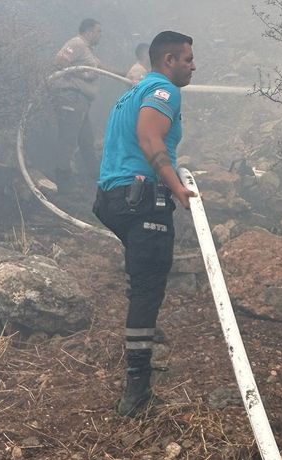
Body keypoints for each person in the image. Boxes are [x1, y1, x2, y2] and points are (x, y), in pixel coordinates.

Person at [93, 31, 198, 416]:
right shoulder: (164, 91)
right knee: (147, 288)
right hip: (142, 199)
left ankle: (145, 330)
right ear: (168, 60)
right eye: (187, 59)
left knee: (143, 278)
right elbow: (149, 138)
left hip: (112, 199)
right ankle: (136, 393)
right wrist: (177, 187)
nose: (193, 66)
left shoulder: (130, 94)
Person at [51, 18, 111, 192]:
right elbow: (60, 60)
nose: (100, 35)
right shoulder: (76, 43)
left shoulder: (88, 51)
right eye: (98, 31)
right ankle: (63, 182)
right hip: (71, 98)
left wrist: (126, 76)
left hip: (81, 102)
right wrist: (82, 75)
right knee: (68, 139)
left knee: (86, 140)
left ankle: (97, 179)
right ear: (89, 31)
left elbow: (101, 67)